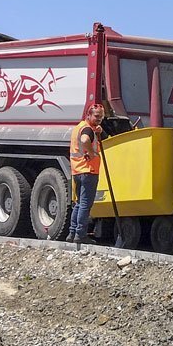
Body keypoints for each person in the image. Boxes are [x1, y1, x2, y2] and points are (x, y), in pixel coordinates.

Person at [67, 104, 105, 244]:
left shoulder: (80, 127)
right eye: (96, 116)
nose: (99, 119)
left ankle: (72, 232)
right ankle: (81, 234)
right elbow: (84, 140)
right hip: (88, 170)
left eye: (101, 116)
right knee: (85, 204)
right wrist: (91, 152)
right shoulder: (87, 129)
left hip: (77, 170)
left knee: (78, 203)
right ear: (88, 115)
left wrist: (98, 131)